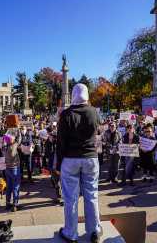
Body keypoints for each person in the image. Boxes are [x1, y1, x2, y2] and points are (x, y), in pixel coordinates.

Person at [56, 83, 102, 243]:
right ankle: (95, 230)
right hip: (90, 158)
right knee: (92, 194)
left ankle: (71, 232)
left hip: (70, 159)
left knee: (71, 198)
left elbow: (60, 142)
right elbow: (97, 133)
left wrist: (58, 164)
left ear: (74, 94)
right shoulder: (94, 112)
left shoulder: (66, 114)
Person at [2, 134, 21, 212]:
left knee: (9, 187)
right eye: (12, 138)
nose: (14, 139)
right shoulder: (14, 146)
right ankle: (15, 205)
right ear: (10, 140)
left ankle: (7, 203)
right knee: (15, 187)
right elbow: (19, 139)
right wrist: (18, 132)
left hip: (7, 169)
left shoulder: (4, 147)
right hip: (14, 169)